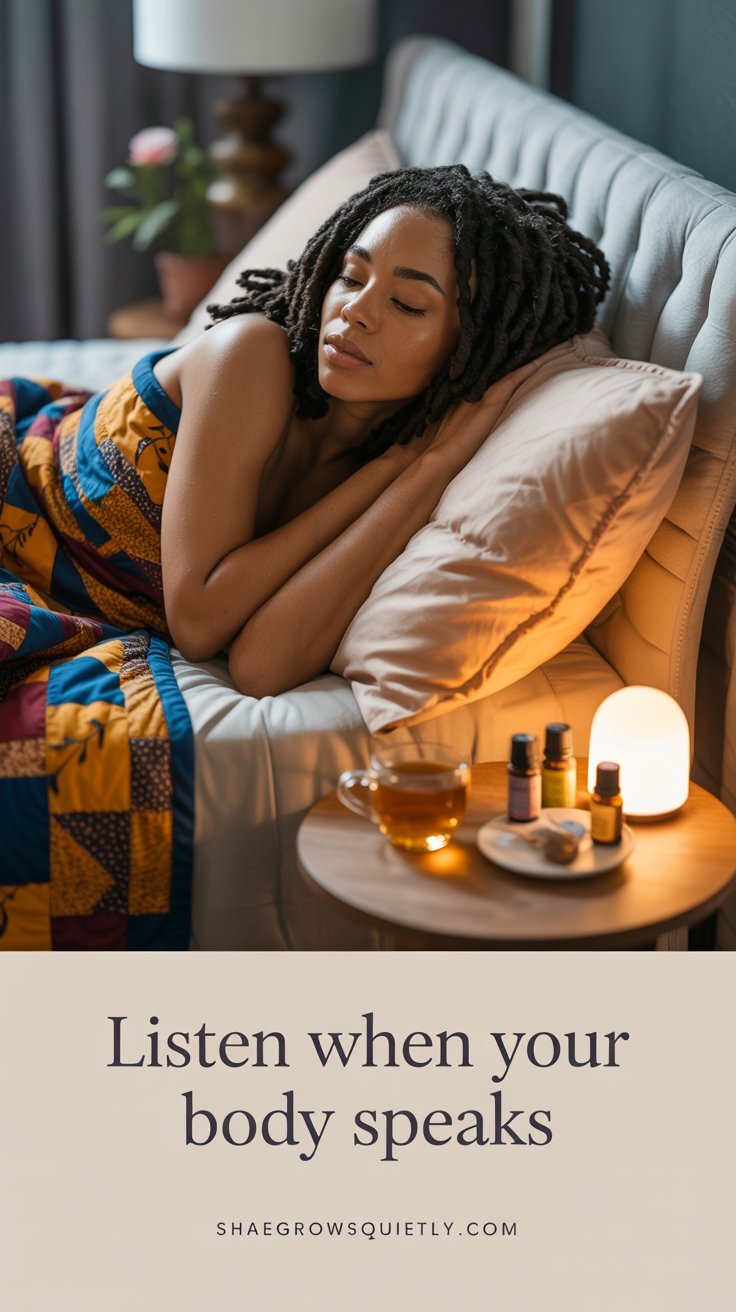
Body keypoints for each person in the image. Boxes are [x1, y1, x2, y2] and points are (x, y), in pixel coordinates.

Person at [152, 163, 609, 699]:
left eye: (407, 304)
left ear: (467, 350)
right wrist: (396, 468)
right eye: (350, 276)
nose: (355, 311)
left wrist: (429, 466)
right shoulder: (250, 354)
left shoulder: (393, 455)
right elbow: (199, 623)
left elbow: (260, 668)